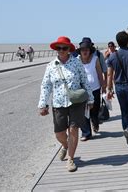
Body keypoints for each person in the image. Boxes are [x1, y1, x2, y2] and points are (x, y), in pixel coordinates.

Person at [38, 36, 94, 172]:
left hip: (76, 102)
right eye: (59, 48)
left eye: (64, 48)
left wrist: (91, 98)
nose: (61, 50)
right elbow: (46, 86)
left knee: (74, 129)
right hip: (58, 103)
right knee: (59, 133)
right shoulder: (51, 66)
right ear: (56, 49)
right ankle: (65, 145)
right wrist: (42, 104)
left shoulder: (77, 63)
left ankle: (70, 159)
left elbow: (85, 81)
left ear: (69, 49)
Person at [77, 38, 106, 141]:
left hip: (95, 88)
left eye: (87, 49)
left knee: (94, 110)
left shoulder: (95, 59)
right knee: (84, 111)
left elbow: (99, 74)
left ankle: (95, 121)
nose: (85, 51)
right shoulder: (77, 61)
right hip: (82, 90)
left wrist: (104, 86)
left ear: (90, 50)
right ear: (80, 51)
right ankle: (86, 133)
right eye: (82, 49)